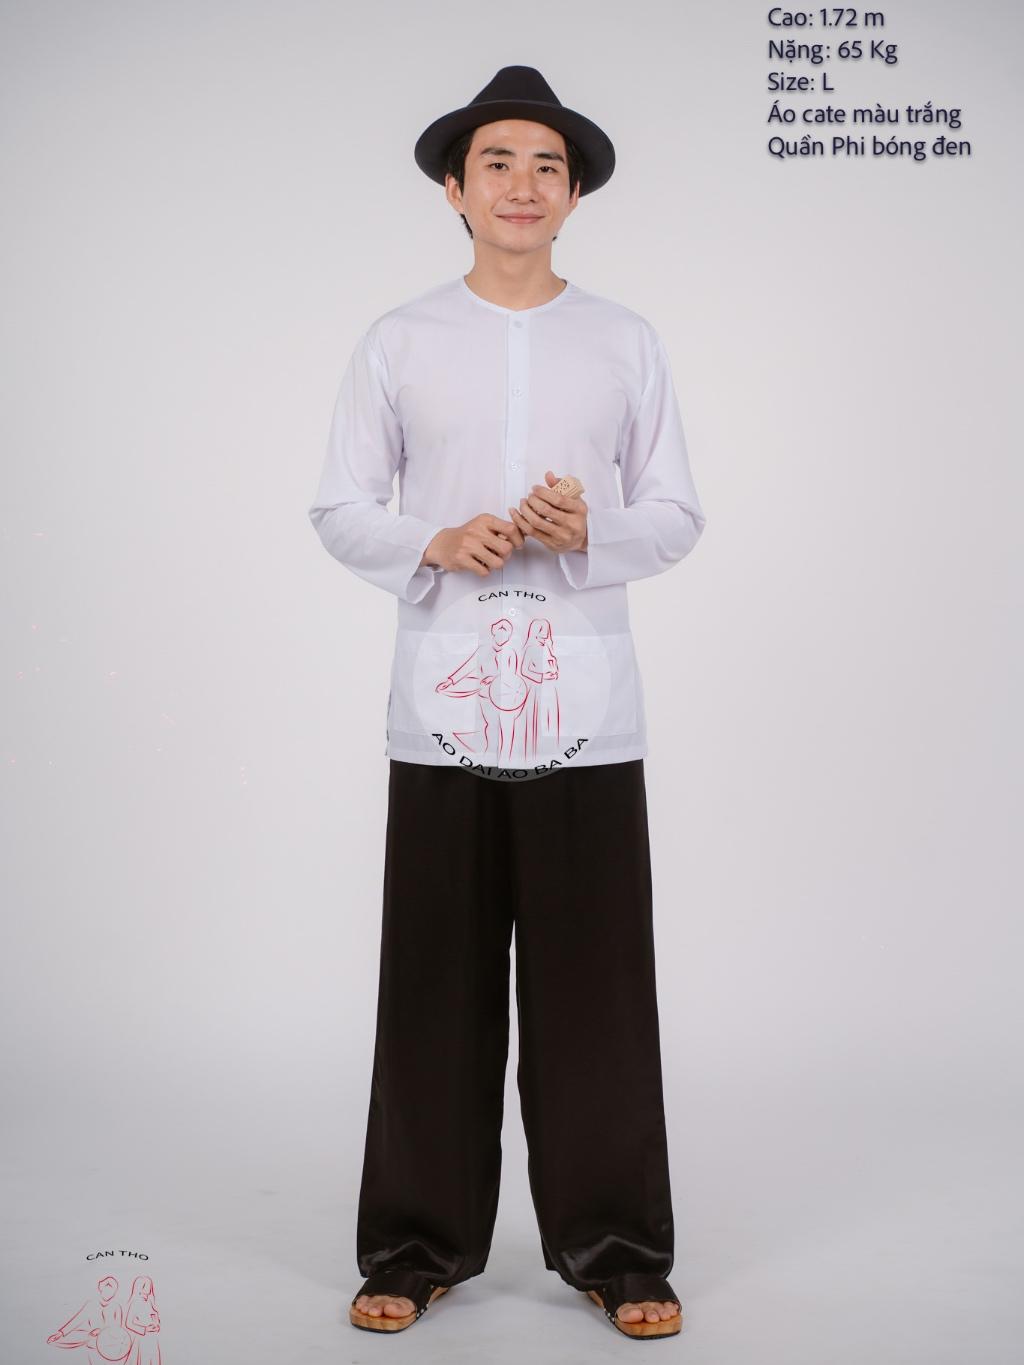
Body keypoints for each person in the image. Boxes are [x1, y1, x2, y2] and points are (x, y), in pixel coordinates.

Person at [308, 65, 706, 1341]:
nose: (522, 185)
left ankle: (617, 1250)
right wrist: (433, 540)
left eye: (547, 166)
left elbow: (676, 515)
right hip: (443, 705)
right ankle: (414, 1245)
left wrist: (589, 532)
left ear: (573, 195)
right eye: (497, 163)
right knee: (436, 983)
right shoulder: (399, 340)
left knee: (597, 993)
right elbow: (340, 507)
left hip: (587, 706)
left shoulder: (625, 340)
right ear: (454, 188)